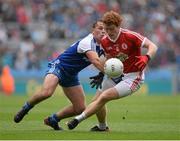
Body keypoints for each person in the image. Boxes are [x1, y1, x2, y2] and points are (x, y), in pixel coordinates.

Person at [67, 11, 158, 131]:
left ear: (118, 26)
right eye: (107, 29)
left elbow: (153, 46)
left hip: (133, 77)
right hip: (116, 74)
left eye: (112, 29)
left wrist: (146, 57)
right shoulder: (105, 41)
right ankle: (102, 127)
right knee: (96, 101)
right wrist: (102, 73)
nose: (109, 32)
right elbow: (110, 59)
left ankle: (77, 120)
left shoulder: (130, 36)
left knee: (104, 97)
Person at [14, 21, 106, 130]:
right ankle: (26, 108)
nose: (103, 31)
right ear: (93, 30)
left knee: (80, 108)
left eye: (105, 29)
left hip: (71, 75)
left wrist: (102, 73)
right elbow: (95, 61)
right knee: (47, 93)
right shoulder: (87, 42)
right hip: (59, 67)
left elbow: (105, 60)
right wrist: (107, 73)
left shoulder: (104, 45)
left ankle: (53, 119)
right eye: (100, 28)